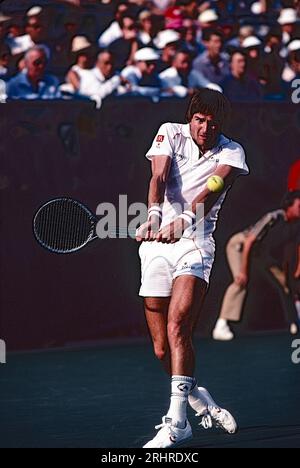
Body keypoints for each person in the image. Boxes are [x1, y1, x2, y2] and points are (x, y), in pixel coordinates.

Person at [136, 89, 249, 448]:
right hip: (156, 246)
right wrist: (154, 216)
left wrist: (183, 220)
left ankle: (177, 422)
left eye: (212, 122)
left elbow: (213, 188)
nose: (204, 127)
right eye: (199, 120)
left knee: (178, 325)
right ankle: (198, 398)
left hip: (197, 245)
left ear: (220, 124)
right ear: (191, 118)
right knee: (160, 348)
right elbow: (158, 177)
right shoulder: (169, 131)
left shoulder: (232, 151)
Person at [213, 191, 300, 341]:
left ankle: (294, 322)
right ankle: (221, 325)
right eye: (299, 205)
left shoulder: (294, 225)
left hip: (260, 253)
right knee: (240, 281)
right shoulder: (273, 217)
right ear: (289, 206)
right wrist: (243, 271)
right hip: (240, 245)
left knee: (285, 283)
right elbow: (249, 242)